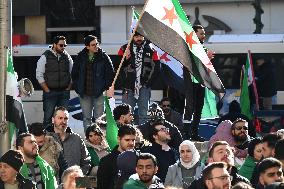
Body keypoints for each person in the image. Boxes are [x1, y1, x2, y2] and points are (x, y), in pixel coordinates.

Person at [72, 35, 115, 130]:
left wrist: (105, 87)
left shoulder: (103, 56)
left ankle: (100, 140)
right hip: (84, 93)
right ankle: (89, 139)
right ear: (87, 47)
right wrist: (78, 88)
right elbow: (74, 74)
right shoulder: (80, 57)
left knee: (99, 118)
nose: (96, 46)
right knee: (86, 118)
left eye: (97, 44)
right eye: (93, 45)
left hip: (99, 93)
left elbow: (110, 73)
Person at [117, 31, 160, 125]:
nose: (139, 38)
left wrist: (148, 84)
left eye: (141, 36)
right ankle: (127, 135)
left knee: (144, 113)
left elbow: (157, 69)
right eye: (136, 36)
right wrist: (125, 58)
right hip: (128, 87)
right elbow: (117, 67)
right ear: (132, 37)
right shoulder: (124, 48)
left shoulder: (152, 49)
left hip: (144, 87)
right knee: (126, 114)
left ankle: (142, 136)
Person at [183, 24, 215, 142]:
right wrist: (205, 57)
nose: (203, 36)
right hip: (190, 81)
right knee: (190, 107)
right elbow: (191, 63)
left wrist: (208, 60)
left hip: (200, 82)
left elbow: (205, 68)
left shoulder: (204, 49)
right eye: (201, 33)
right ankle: (186, 133)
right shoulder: (188, 47)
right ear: (194, 34)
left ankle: (194, 133)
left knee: (199, 108)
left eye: (204, 34)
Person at [36, 35, 73, 128]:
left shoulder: (66, 56)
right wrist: (47, 90)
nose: (63, 47)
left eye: (65, 45)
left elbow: (73, 73)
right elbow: (39, 75)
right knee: (48, 119)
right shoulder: (45, 56)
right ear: (54, 44)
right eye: (61, 45)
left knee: (64, 119)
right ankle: (48, 140)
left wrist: (68, 88)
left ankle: (62, 140)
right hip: (50, 92)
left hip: (64, 92)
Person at [47, 106, 91, 175]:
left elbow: (86, 161)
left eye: (66, 118)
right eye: (60, 118)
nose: (63, 121)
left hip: (75, 180)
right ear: (53, 120)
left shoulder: (77, 139)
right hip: (53, 182)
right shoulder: (46, 139)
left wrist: (79, 175)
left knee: (93, 182)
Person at [97, 124, 136, 189]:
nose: (131, 143)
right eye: (127, 140)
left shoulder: (140, 158)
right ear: (118, 139)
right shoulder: (106, 161)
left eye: (133, 140)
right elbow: (102, 185)